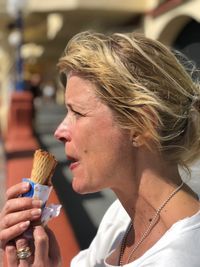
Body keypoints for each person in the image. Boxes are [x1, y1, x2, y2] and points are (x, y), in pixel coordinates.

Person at [0, 31, 200, 267]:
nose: (59, 131)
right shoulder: (120, 218)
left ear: (141, 126)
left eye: (77, 113)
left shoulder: (182, 257)